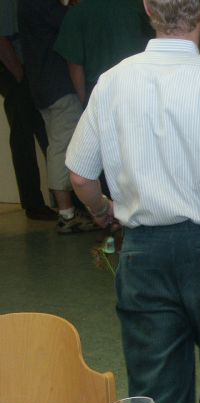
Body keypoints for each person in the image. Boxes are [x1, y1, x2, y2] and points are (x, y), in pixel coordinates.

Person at [65, 0, 200, 403]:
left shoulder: (111, 82)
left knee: (156, 393)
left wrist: (102, 211)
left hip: (143, 254)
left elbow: (80, 176)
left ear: (147, 9)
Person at [18, 0, 97, 233]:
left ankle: (69, 209)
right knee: (63, 148)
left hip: (42, 85)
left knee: (57, 145)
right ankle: (67, 214)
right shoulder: (44, 5)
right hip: (59, 86)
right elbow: (71, 21)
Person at [0, 0, 53, 220]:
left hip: (27, 70)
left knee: (43, 134)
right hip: (17, 72)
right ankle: (34, 204)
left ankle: (51, 200)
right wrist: (19, 74)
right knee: (24, 138)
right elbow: (2, 40)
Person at [54, 0, 152, 106]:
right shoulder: (142, 6)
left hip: (99, 92)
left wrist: (84, 103)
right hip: (140, 85)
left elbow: (75, 66)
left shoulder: (78, 13)